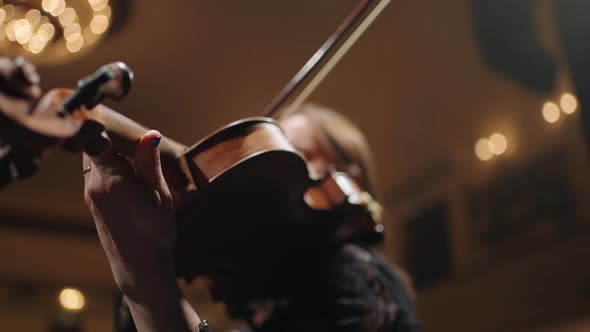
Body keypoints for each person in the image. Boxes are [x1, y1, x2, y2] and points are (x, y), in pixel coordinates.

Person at [0, 57, 420, 331]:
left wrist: (148, 278)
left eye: (306, 160)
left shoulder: (362, 282)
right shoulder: (259, 312)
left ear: (352, 182)